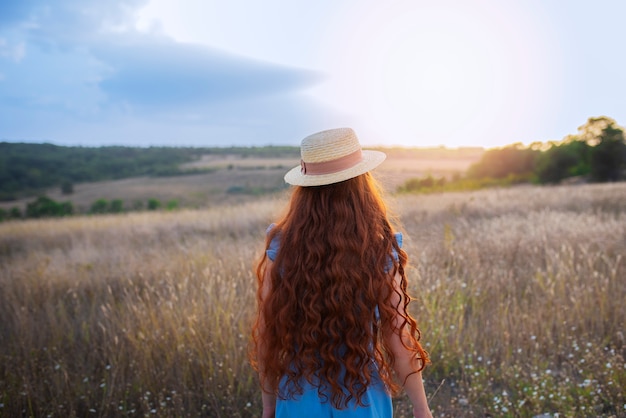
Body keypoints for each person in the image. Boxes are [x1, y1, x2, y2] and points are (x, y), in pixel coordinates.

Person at [250, 128, 432, 418]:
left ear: (304, 188)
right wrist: (422, 410)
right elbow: (399, 340)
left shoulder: (281, 245)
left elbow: (266, 334)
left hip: (297, 398)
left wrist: (268, 407)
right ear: (363, 183)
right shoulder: (379, 248)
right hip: (362, 396)